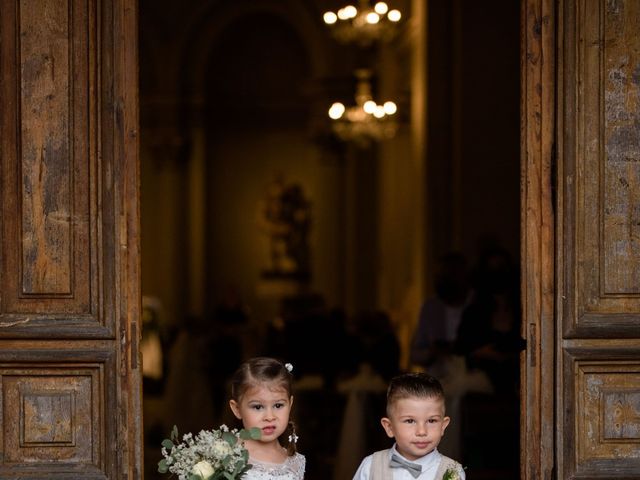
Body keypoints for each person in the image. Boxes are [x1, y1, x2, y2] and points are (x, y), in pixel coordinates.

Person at [352, 372, 465, 480]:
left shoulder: (452, 471)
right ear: (389, 427)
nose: (422, 431)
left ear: (443, 426)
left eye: (431, 421)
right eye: (410, 421)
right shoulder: (371, 465)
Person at [228, 357, 306, 480]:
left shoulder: (295, 463)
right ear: (237, 409)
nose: (270, 417)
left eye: (278, 405)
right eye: (258, 407)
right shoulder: (227, 454)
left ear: (290, 405)